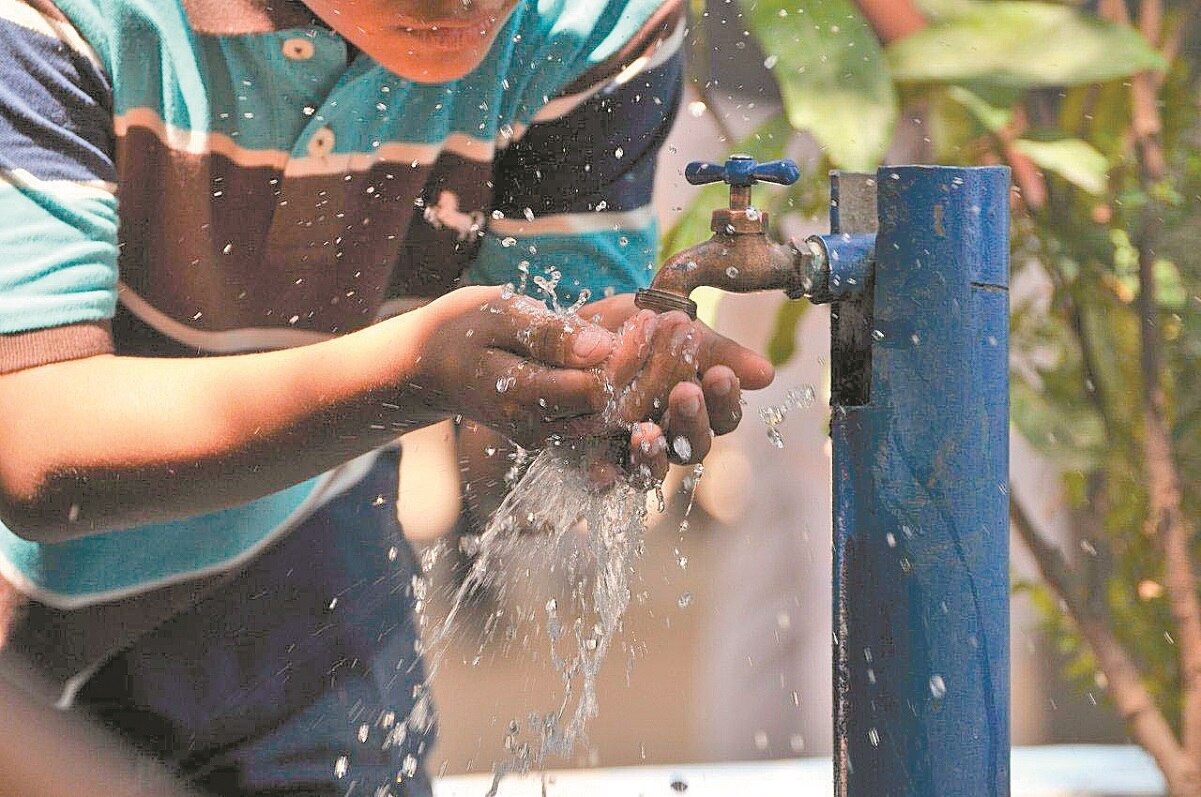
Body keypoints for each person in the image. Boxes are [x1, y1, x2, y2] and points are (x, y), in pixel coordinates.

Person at [0, 0, 773, 794]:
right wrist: (408, 375)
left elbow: (532, 401)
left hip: (305, 570)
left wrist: (595, 397)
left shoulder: (588, 19)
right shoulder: (66, 17)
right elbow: (34, 440)